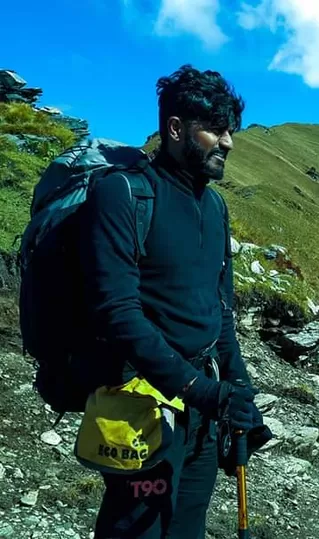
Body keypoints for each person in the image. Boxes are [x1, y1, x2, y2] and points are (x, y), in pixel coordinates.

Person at [76, 65, 270, 538]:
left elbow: (219, 310)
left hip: (203, 403)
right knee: (138, 528)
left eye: (231, 131)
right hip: (139, 404)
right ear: (176, 128)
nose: (228, 143)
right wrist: (207, 393)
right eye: (215, 130)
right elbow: (118, 314)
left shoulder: (215, 206)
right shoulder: (123, 195)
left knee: (186, 526)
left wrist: (237, 390)